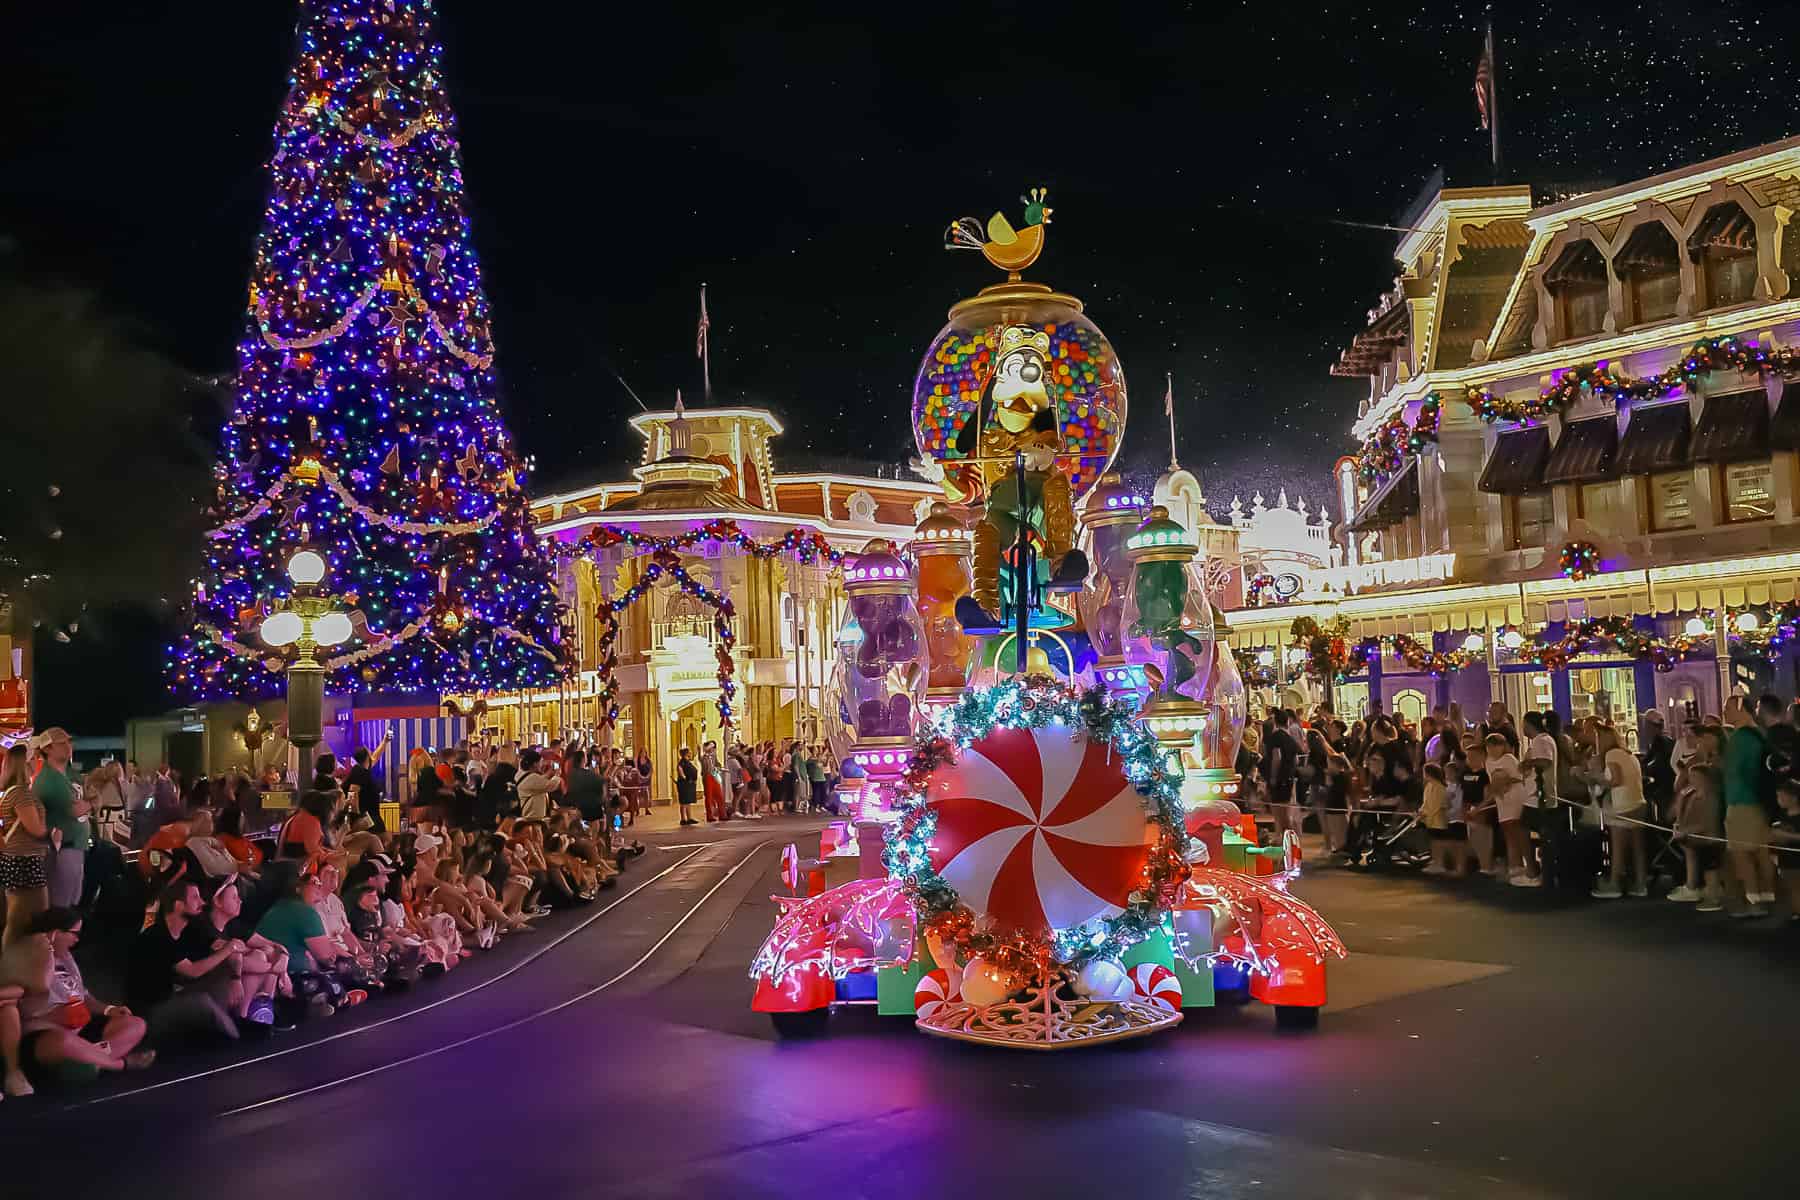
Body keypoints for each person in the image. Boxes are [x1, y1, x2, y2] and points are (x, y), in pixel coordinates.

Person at [16, 907, 155, 1081]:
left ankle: (88, 1062)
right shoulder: (28, 960)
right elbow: (25, 1009)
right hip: (45, 1035)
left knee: (135, 1024)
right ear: (54, 933)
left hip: (80, 1029)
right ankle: (119, 1064)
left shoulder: (66, 957)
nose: (76, 939)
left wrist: (108, 1009)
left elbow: (85, 997)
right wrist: (54, 1016)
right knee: (64, 1042)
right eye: (73, 933)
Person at [126, 880, 241, 1041]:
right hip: (150, 1010)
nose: (202, 902)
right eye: (195, 898)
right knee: (202, 1001)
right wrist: (229, 948)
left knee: (221, 976)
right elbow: (193, 971)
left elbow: (216, 945)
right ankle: (236, 1038)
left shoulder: (188, 929)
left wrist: (236, 973)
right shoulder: (157, 936)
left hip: (172, 995)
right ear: (179, 905)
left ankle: (224, 1028)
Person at [1722, 694, 1780, 916]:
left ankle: (1753, 900)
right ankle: (1766, 895)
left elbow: (1735, 773)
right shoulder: (1759, 735)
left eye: (1728, 707)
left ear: (1740, 708)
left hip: (1740, 802)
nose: (1725, 712)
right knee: (1761, 852)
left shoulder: (1739, 739)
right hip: (1759, 802)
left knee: (1742, 853)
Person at [1, 744, 52, 949]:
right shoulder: (21, 794)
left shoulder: (8, 793)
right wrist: (51, 833)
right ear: (24, 763)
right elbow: (36, 829)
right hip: (25, 858)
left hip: (14, 856)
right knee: (32, 914)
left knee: (16, 914)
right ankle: (17, 960)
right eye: (33, 758)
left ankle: (14, 958)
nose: (36, 762)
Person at [30, 728, 87, 908]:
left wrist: (88, 803)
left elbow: (84, 801)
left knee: (72, 903)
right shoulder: (48, 780)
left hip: (76, 846)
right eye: (62, 743)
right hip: (62, 850)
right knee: (62, 907)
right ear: (47, 749)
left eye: (69, 742)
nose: (68, 746)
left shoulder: (70, 775)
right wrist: (92, 803)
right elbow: (75, 810)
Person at [1669, 725, 1725, 909]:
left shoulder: (1711, 793)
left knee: (1712, 862)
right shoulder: (1695, 793)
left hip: (1710, 832)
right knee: (1700, 854)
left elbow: (1708, 822)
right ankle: (1700, 888)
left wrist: (1686, 830)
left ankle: (1714, 895)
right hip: (1700, 829)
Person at [1484, 732, 1538, 887]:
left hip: (1514, 794)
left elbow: (1519, 776)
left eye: (1496, 746)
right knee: (1507, 830)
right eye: (1489, 747)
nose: (1492, 750)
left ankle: (1527, 865)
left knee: (1516, 828)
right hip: (1501, 798)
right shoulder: (1488, 762)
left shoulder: (1509, 759)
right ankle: (1515, 864)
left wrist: (1504, 781)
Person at [345, 746, 386, 833]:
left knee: (385, 839)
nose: (372, 753)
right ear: (367, 757)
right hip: (366, 819)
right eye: (370, 752)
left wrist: (385, 741)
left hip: (371, 818)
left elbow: (375, 758)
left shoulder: (363, 770)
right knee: (384, 840)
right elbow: (352, 792)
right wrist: (356, 816)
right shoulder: (359, 770)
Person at [564, 749, 606, 823]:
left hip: (576, 800)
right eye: (586, 756)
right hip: (588, 803)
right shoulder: (587, 773)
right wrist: (597, 774)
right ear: (583, 759)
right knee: (597, 813)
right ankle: (594, 834)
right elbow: (601, 782)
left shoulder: (573, 773)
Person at [516, 748, 558, 821]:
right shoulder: (532, 778)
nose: (542, 764)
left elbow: (538, 781)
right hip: (533, 817)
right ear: (535, 764)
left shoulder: (521, 774)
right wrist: (557, 775)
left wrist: (548, 774)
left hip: (530, 814)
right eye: (541, 762)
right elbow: (551, 786)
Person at [700, 742, 724, 823]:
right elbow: (702, 761)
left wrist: (718, 767)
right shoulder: (703, 757)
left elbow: (718, 764)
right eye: (711, 747)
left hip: (715, 776)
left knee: (719, 795)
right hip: (707, 777)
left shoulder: (714, 756)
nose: (713, 749)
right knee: (709, 797)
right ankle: (710, 816)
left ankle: (722, 814)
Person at [675, 746, 700, 826]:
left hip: (689, 784)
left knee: (688, 802)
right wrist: (684, 778)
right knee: (683, 802)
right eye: (689, 751)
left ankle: (689, 818)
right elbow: (680, 770)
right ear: (686, 753)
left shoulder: (687, 761)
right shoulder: (682, 762)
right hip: (684, 784)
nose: (691, 752)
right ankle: (683, 819)